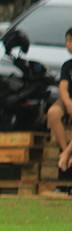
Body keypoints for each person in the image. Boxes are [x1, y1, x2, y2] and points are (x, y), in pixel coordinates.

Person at [44, 27, 72, 156]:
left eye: (70, 41)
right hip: (68, 101)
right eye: (66, 41)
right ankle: (65, 150)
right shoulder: (67, 66)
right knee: (53, 113)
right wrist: (68, 103)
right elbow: (63, 87)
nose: (67, 45)